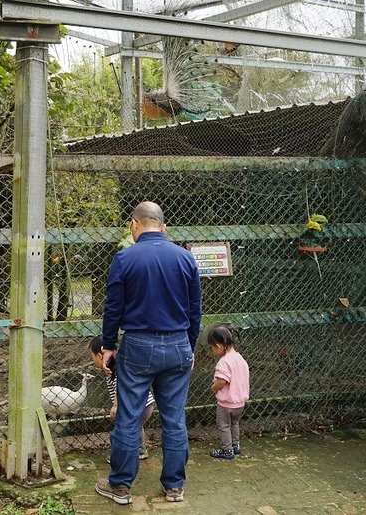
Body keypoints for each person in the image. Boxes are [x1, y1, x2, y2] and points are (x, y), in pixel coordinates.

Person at [95, 201, 203, 506]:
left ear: (134, 225)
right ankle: (174, 487)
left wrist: (108, 345)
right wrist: (189, 346)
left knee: (129, 417)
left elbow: (113, 307)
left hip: (138, 347)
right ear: (164, 227)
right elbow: (195, 310)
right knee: (174, 419)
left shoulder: (125, 258)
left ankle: (120, 487)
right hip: (178, 345)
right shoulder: (185, 258)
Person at [89, 336, 156, 460]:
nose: (92, 360)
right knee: (135, 427)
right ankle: (140, 449)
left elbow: (121, 385)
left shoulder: (116, 369)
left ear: (99, 355)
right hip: (145, 404)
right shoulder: (118, 367)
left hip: (137, 404)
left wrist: (115, 405)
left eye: (92, 356)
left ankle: (121, 454)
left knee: (123, 429)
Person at [207, 323, 250, 460]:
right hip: (240, 403)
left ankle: (227, 449)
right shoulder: (240, 358)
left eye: (212, 348)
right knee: (234, 423)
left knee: (224, 426)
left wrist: (213, 387)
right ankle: (235, 445)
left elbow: (222, 381)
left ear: (218, 346)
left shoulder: (224, 362)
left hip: (226, 404)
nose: (212, 351)